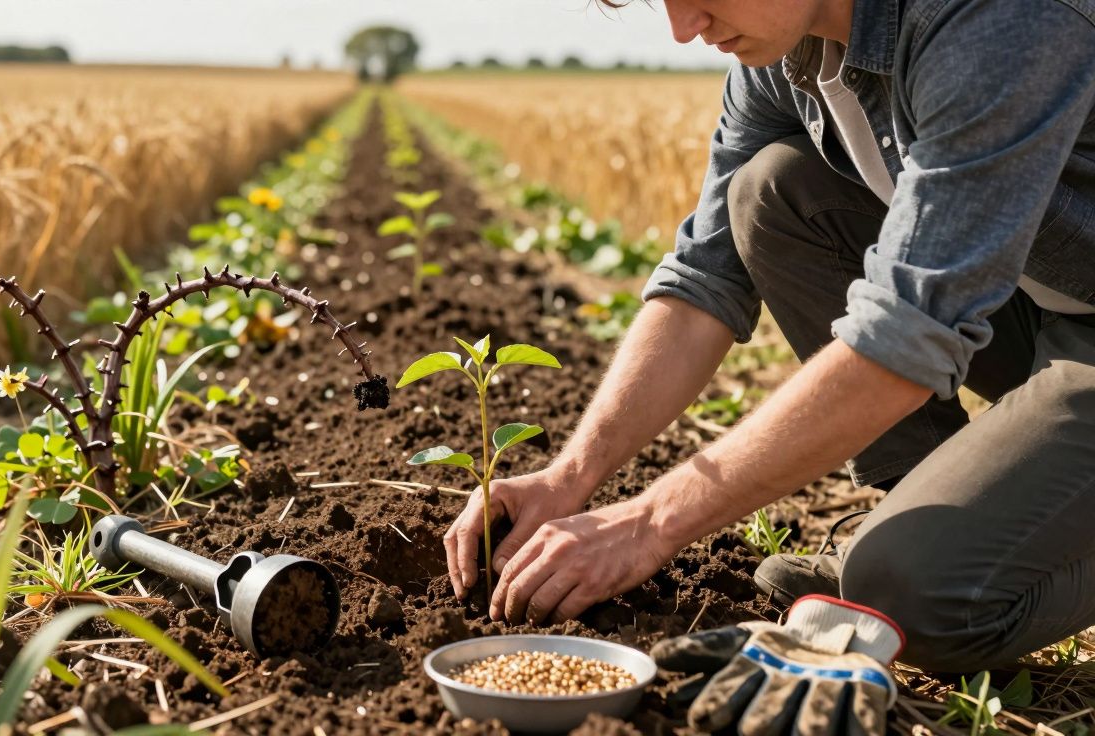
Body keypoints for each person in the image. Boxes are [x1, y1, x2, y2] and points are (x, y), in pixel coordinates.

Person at [443, 0, 1095, 686]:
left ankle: (955, 551)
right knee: (772, 192)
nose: (683, 26)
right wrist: (567, 478)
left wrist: (649, 524)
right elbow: (704, 280)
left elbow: (909, 330)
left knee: (903, 599)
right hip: (1043, 313)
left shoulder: (997, 19)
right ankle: (939, 510)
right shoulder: (791, 55)